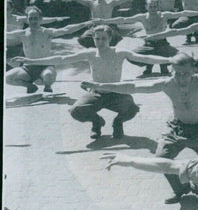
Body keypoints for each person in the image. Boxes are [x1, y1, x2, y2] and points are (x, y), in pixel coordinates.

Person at [85, 52, 198, 204]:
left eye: (185, 73)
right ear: (171, 71)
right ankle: (181, 189)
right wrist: (100, 86)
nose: (181, 78)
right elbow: (134, 86)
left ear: (193, 71)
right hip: (176, 128)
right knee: (161, 160)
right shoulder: (167, 84)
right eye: (177, 73)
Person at [13, 25, 170, 139]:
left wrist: (170, 59)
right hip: (96, 94)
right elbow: (61, 59)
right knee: (76, 111)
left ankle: (118, 123)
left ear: (110, 39)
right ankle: (96, 122)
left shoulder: (120, 53)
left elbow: (144, 58)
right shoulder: (89, 54)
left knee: (132, 109)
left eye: (103, 38)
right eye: (97, 39)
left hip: (117, 93)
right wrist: (31, 61)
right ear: (93, 39)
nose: (100, 42)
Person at [98, 0, 198, 76]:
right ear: (146, 7)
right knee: (131, 56)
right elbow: (123, 19)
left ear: (158, 7)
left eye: (155, 6)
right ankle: (149, 65)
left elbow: (182, 13)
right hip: (148, 45)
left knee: (182, 57)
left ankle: (164, 66)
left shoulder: (164, 15)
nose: (153, 9)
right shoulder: (142, 17)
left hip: (163, 44)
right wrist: (104, 21)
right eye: (150, 6)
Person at [6, 6, 93, 93]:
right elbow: (6, 34)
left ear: (41, 19)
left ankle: (47, 86)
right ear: (27, 20)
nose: (33, 21)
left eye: (35, 18)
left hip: (45, 65)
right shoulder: (22, 33)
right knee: (7, 78)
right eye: (31, 18)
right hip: (28, 67)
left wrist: (85, 24)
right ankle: (30, 86)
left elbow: (66, 30)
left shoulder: (46, 32)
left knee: (48, 75)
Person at [56, 0, 148, 48]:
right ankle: (96, 49)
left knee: (116, 40)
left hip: (109, 26)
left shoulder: (111, 3)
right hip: (95, 27)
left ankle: (107, 52)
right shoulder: (91, 3)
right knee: (83, 39)